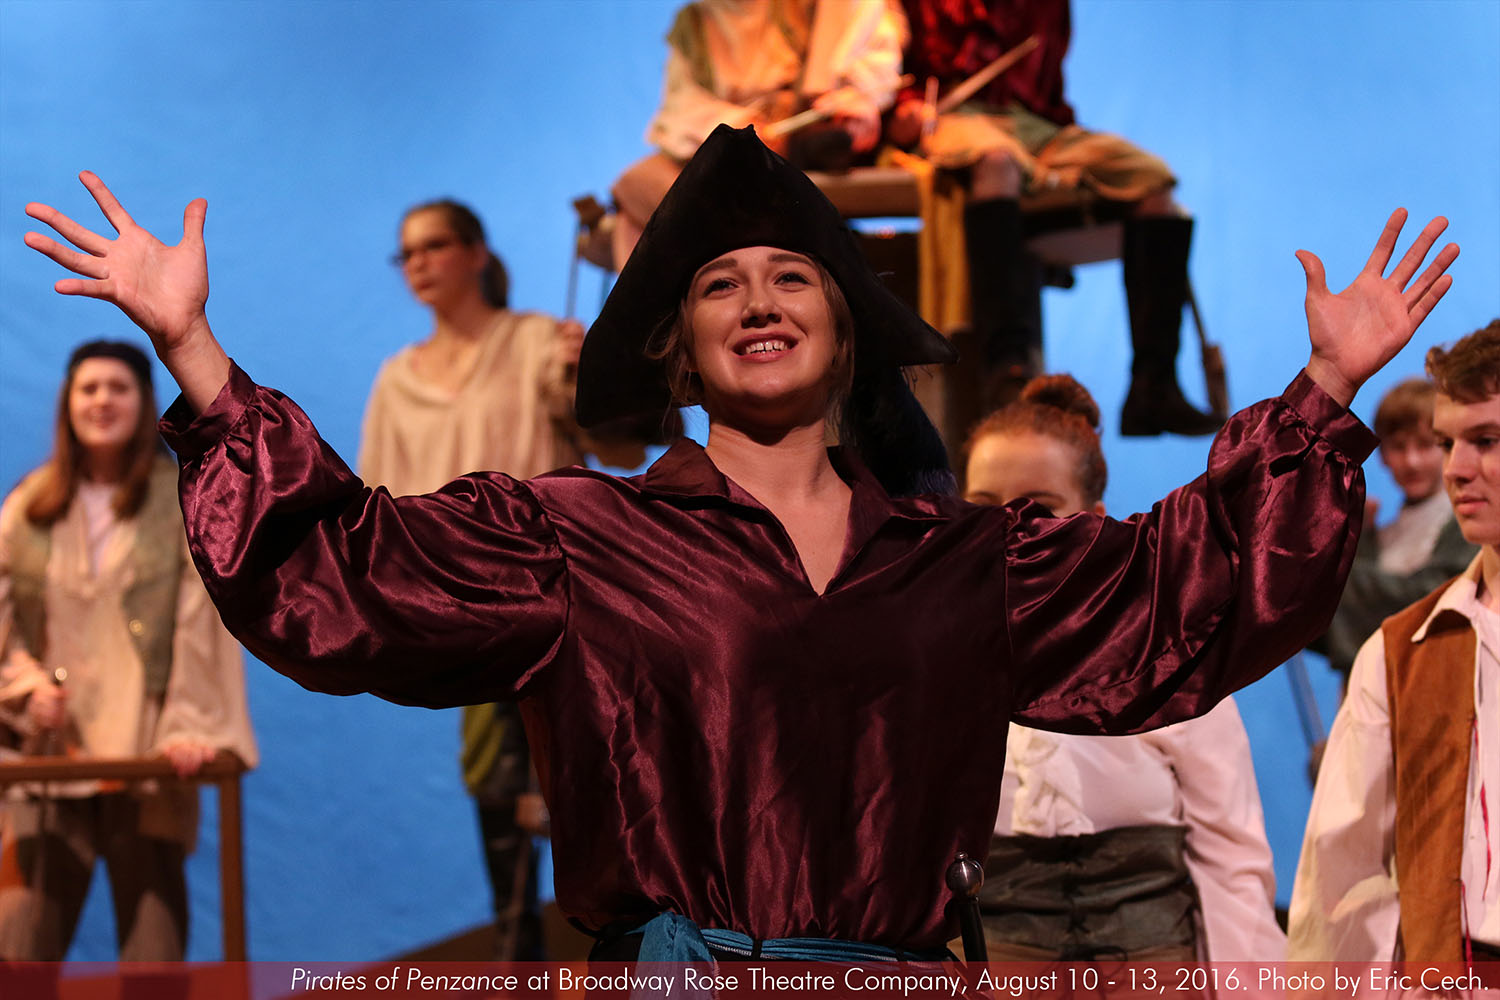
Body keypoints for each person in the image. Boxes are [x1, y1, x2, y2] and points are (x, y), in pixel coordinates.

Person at [21, 125, 1454, 961]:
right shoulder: (578, 537)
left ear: (844, 331)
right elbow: (344, 574)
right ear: (682, 346)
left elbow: (1183, 592)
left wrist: (1324, 393)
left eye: (792, 278)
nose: (760, 300)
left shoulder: (966, 561)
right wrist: (194, 352)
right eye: (721, 283)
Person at [963, 375, 1284, 962]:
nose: (1009, 529)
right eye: (984, 506)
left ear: (1095, 518)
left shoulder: (1166, 655)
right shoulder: (934, 661)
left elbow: (1231, 860)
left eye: (1039, 507)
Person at [362, 198, 588, 960]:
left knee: (581, 788)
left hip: (558, 603)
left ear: (477, 252)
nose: (419, 263)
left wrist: (583, 371)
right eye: (407, 253)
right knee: (498, 788)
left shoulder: (535, 341)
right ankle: (518, 964)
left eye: (434, 245)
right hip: (464, 618)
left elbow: (609, 439)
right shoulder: (398, 377)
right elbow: (376, 508)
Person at [0, 341, 257, 961]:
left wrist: (190, 727)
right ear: (68, 403)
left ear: (144, 401)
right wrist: (26, 691)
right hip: (52, 753)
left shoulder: (181, 501)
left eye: (118, 388)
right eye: (88, 388)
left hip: (146, 751)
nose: (102, 401)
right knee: (20, 949)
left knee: (153, 951)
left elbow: (201, 623)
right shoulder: (30, 504)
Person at [888, 0, 1216, 435]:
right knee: (996, 162)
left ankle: (1154, 385)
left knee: (1150, 179)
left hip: (1036, 126)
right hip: (953, 116)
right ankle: (1008, 365)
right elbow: (888, 66)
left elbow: (1047, 87)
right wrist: (905, 111)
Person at [1288, 320, 1499, 964]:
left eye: (1487, 440)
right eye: (1447, 442)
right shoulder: (1403, 648)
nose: (1455, 469)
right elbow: (1343, 877)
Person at [600, 0, 906, 269]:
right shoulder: (695, 20)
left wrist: (850, 94)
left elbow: (859, 48)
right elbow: (682, 105)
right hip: (724, 139)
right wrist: (738, 125)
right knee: (636, 185)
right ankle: (684, 294)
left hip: (799, 131)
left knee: (653, 206)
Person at [1315, 376, 1477, 682]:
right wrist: (1356, 538)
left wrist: (1329, 571)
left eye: (1426, 445)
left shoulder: (1468, 524)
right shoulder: (1381, 535)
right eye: (1399, 447)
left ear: (1447, 446)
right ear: (1383, 455)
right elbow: (1332, 625)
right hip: (1371, 689)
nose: (1412, 461)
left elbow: (1430, 600)